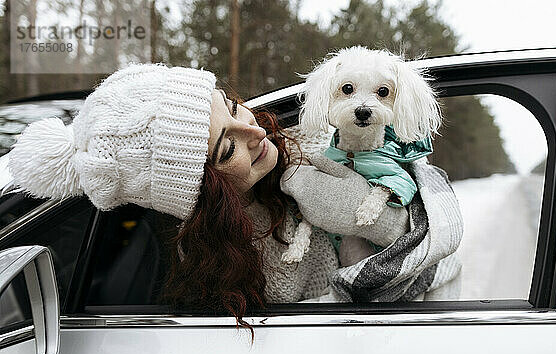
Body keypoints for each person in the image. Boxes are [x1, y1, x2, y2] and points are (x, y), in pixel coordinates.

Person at [8, 64, 460, 333]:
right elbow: (332, 328)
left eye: (231, 105)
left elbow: (426, 227)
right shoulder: (246, 262)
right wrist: (338, 206)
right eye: (226, 148)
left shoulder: (313, 137)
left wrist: (372, 208)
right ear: (202, 195)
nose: (255, 130)